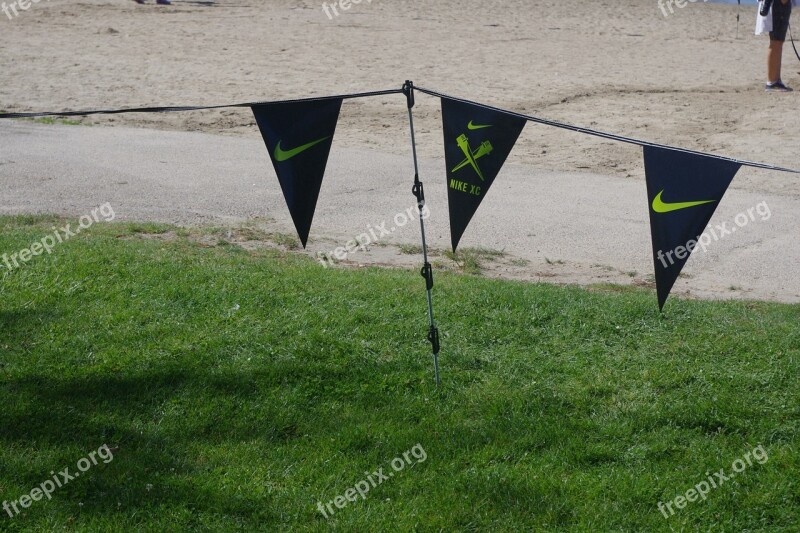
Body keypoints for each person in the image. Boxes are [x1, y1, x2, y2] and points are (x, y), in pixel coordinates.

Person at [756, 0, 796, 92]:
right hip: (777, 4)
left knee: (779, 41)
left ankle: (776, 80)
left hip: (781, 3)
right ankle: (772, 82)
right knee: (776, 41)